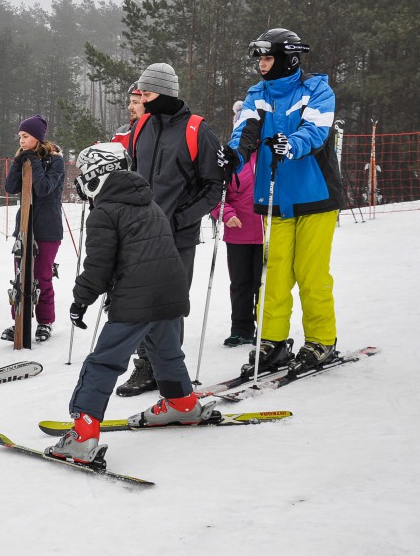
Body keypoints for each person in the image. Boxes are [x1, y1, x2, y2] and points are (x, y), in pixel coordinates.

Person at [48, 143, 216, 464]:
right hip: (169, 293)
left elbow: (99, 267)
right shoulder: (149, 204)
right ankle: (182, 404)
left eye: (84, 175)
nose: (82, 182)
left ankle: (82, 435)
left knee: (104, 361)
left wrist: (81, 300)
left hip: (136, 298)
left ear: (97, 174)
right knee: (165, 352)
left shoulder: (104, 212)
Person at [219, 28, 344, 374]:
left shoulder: (316, 89)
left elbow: (316, 130)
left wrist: (291, 144)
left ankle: (321, 340)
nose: (262, 64)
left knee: (310, 272)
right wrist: (233, 158)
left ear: (289, 58)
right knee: (274, 274)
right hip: (273, 198)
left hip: (315, 196)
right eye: (259, 58)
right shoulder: (257, 94)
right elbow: (244, 132)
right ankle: (272, 342)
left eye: (267, 57)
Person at [114, 63, 224, 397]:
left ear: (165, 92)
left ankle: (170, 371)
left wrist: (180, 218)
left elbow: (213, 187)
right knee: (139, 299)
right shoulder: (142, 127)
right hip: (140, 232)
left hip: (178, 233)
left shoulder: (197, 130)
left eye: (147, 94)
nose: (141, 101)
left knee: (170, 303)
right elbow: (130, 176)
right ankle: (145, 366)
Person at [1, 114, 65, 343]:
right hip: (24, 227)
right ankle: (19, 319)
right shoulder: (23, 158)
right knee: (20, 275)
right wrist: (19, 163)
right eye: (19, 136)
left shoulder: (55, 161)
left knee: (41, 276)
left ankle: (45, 321)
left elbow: (44, 188)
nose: (21, 140)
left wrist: (35, 163)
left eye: (26, 136)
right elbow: (10, 187)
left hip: (47, 228)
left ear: (37, 138)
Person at [211, 101, 264, 347]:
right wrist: (225, 212)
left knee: (264, 284)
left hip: (267, 232)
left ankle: (268, 331)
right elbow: (214, 197)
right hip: (238, 233)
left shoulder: (268, 155)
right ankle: (241, 328)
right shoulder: (230, 159)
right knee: (241, 283)